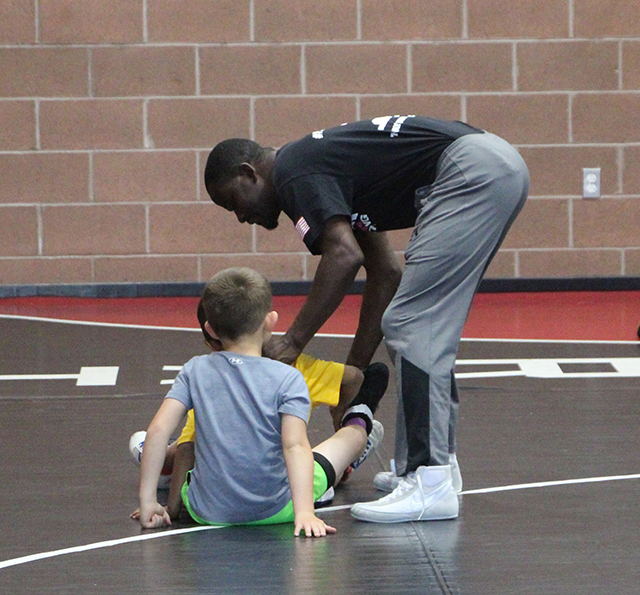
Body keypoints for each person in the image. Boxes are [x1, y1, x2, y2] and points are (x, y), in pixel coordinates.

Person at [204, 115, 529, 523]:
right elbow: (385, 272)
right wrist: (354, 376)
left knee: (413, 324)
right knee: (419, 324)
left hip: (473, 171)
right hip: (491, 165)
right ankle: (430, 467)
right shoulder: (321, 167)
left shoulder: (292, 172)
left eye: (233, 202)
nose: (240, 216)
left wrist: (292, 342)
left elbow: (343, 256)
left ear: (248, 173)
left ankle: (430, 481)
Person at [136, 267, 386, 536]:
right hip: (276, 510)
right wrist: (304, 512)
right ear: (270, 321)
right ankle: (359, 417)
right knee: (352, 439)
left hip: (207, 510)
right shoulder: (288, 378)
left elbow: (158, 430)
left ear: (209, 329)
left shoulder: (194, 371)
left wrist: (149, 502)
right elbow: (295, 446)